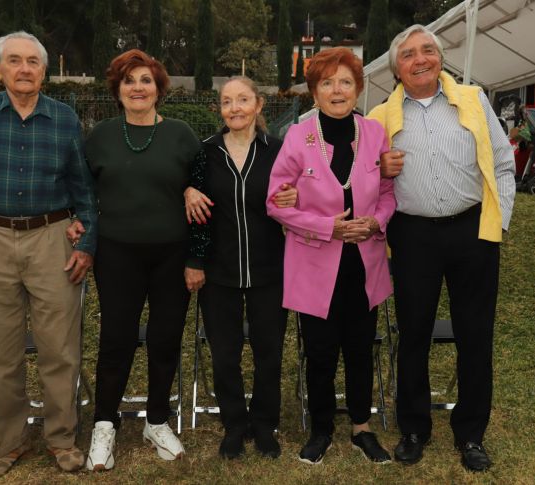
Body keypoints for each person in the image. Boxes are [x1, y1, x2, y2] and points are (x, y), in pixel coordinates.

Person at [0, 31, 97, 479]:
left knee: (60, 349)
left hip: (52, 239)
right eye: (14, 60)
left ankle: (62, 439)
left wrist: (86, 243)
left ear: (44, 71)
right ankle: (7, 443)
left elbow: (83, 190)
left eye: (33, 61)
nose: (24, 68)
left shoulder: (65, 118)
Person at [366, 25, 516, 472]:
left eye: (427, 50)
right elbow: (361, 184)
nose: (420, 59)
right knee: (413, 334)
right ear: (397, 68)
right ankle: (414, 429)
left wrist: (500, 222)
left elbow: (505, 164)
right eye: (409, 54)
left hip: (473, 232)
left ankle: (471, 435)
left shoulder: (474, 99)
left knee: (475, 335)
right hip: (413, 236)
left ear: (441, 56)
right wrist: (380, 167)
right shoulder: (377, 117)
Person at [265, 47, 396, 466]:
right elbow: (275, 202)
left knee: (361, 350)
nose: (337, 90)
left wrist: (376, 222)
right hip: (316, 265)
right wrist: (329, 227)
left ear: (358, 89)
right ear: (314, 93)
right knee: (320, 353)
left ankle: (361, 428)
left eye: (345, 82)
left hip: (364, 263)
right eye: (327, 83)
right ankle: (320, 429)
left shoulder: (374, 133)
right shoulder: (297, 138)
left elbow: (391, 194)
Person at [77, 49, 200, 472]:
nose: (137, 88)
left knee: (165, 340)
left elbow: (201, 188)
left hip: (172, 254)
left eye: (146, 80)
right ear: (118, 89)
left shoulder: (182, 135)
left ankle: (157, 421)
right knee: (117, 340)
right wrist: (76, 222)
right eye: (129, 80)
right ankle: (105, 425)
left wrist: (188, 190)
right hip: (117, 254)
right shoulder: (100, 137)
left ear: (159, 88)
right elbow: (78, 188)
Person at [182, 77, 295, 460]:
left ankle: (264, 424)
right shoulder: (205, 152)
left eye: (242, 100)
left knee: (269, 351)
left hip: (270, 270)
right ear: (220, 109)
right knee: (224, 353)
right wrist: (195, 262)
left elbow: (301, 197)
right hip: (219, 272)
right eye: (227, 101)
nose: (235, 108)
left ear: (259, 105)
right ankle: (234, 424)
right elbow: (194, 211)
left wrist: (297, 195)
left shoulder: (278, 151)